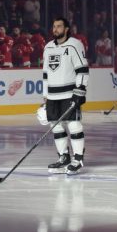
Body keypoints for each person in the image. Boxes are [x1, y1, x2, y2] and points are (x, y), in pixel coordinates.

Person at [42, 17, 89, 175]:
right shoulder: (48, 47)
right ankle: (64, 157)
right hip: (53, 94)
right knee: (55, 126)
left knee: (74, 124)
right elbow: (45, 73)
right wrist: (45, 95)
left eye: (59, 26)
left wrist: (80, 90)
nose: (55, 29)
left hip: (69, 93)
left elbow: (82, 69)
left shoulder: (75, 44)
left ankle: (78, 159)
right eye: (54, 26)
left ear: (66, 28)